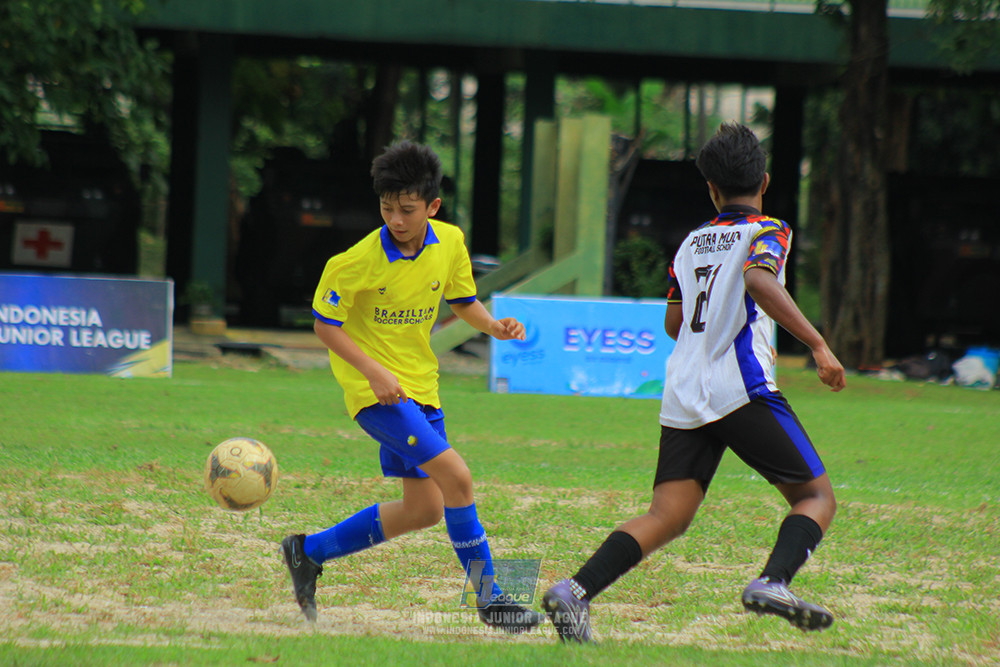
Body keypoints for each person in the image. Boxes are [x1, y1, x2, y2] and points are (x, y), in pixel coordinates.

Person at [542, 122, 846, 642]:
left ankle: (575, 591)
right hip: (739, 386)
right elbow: (758, 278)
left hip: (684, 390)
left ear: (711, 189)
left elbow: (674, 323)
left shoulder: (691, 243)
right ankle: (774, 581)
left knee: (668, 514)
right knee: (816, 496)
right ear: (765, 182)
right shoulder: (768, 230)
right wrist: (818, 344)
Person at [282, 140, 544, 634]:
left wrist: (492, 326)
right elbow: (325, 324)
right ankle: (492, 600)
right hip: (375, 394)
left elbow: (462, 300)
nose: (396, 219)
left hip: (422, 388)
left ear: (432, 206)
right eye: (387, 208)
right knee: (459, 480)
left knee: (424, 510)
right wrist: (374, 372)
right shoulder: (355, 261)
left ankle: (307, 550)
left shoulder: (450, 242)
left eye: (406, 209)